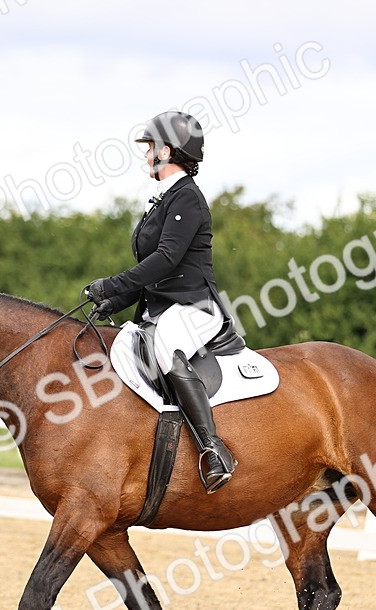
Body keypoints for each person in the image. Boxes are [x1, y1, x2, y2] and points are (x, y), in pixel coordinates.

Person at [84, 111, 237, 493]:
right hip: (164, 306)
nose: (146, 154)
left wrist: (111, 284)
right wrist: (116, 299)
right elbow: (155, 272)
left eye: (150, 147)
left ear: (166, 151)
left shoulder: (187, 198)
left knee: (167, 347)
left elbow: (167, 259)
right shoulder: (164, 199)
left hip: (195, 307)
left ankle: (213, 449)